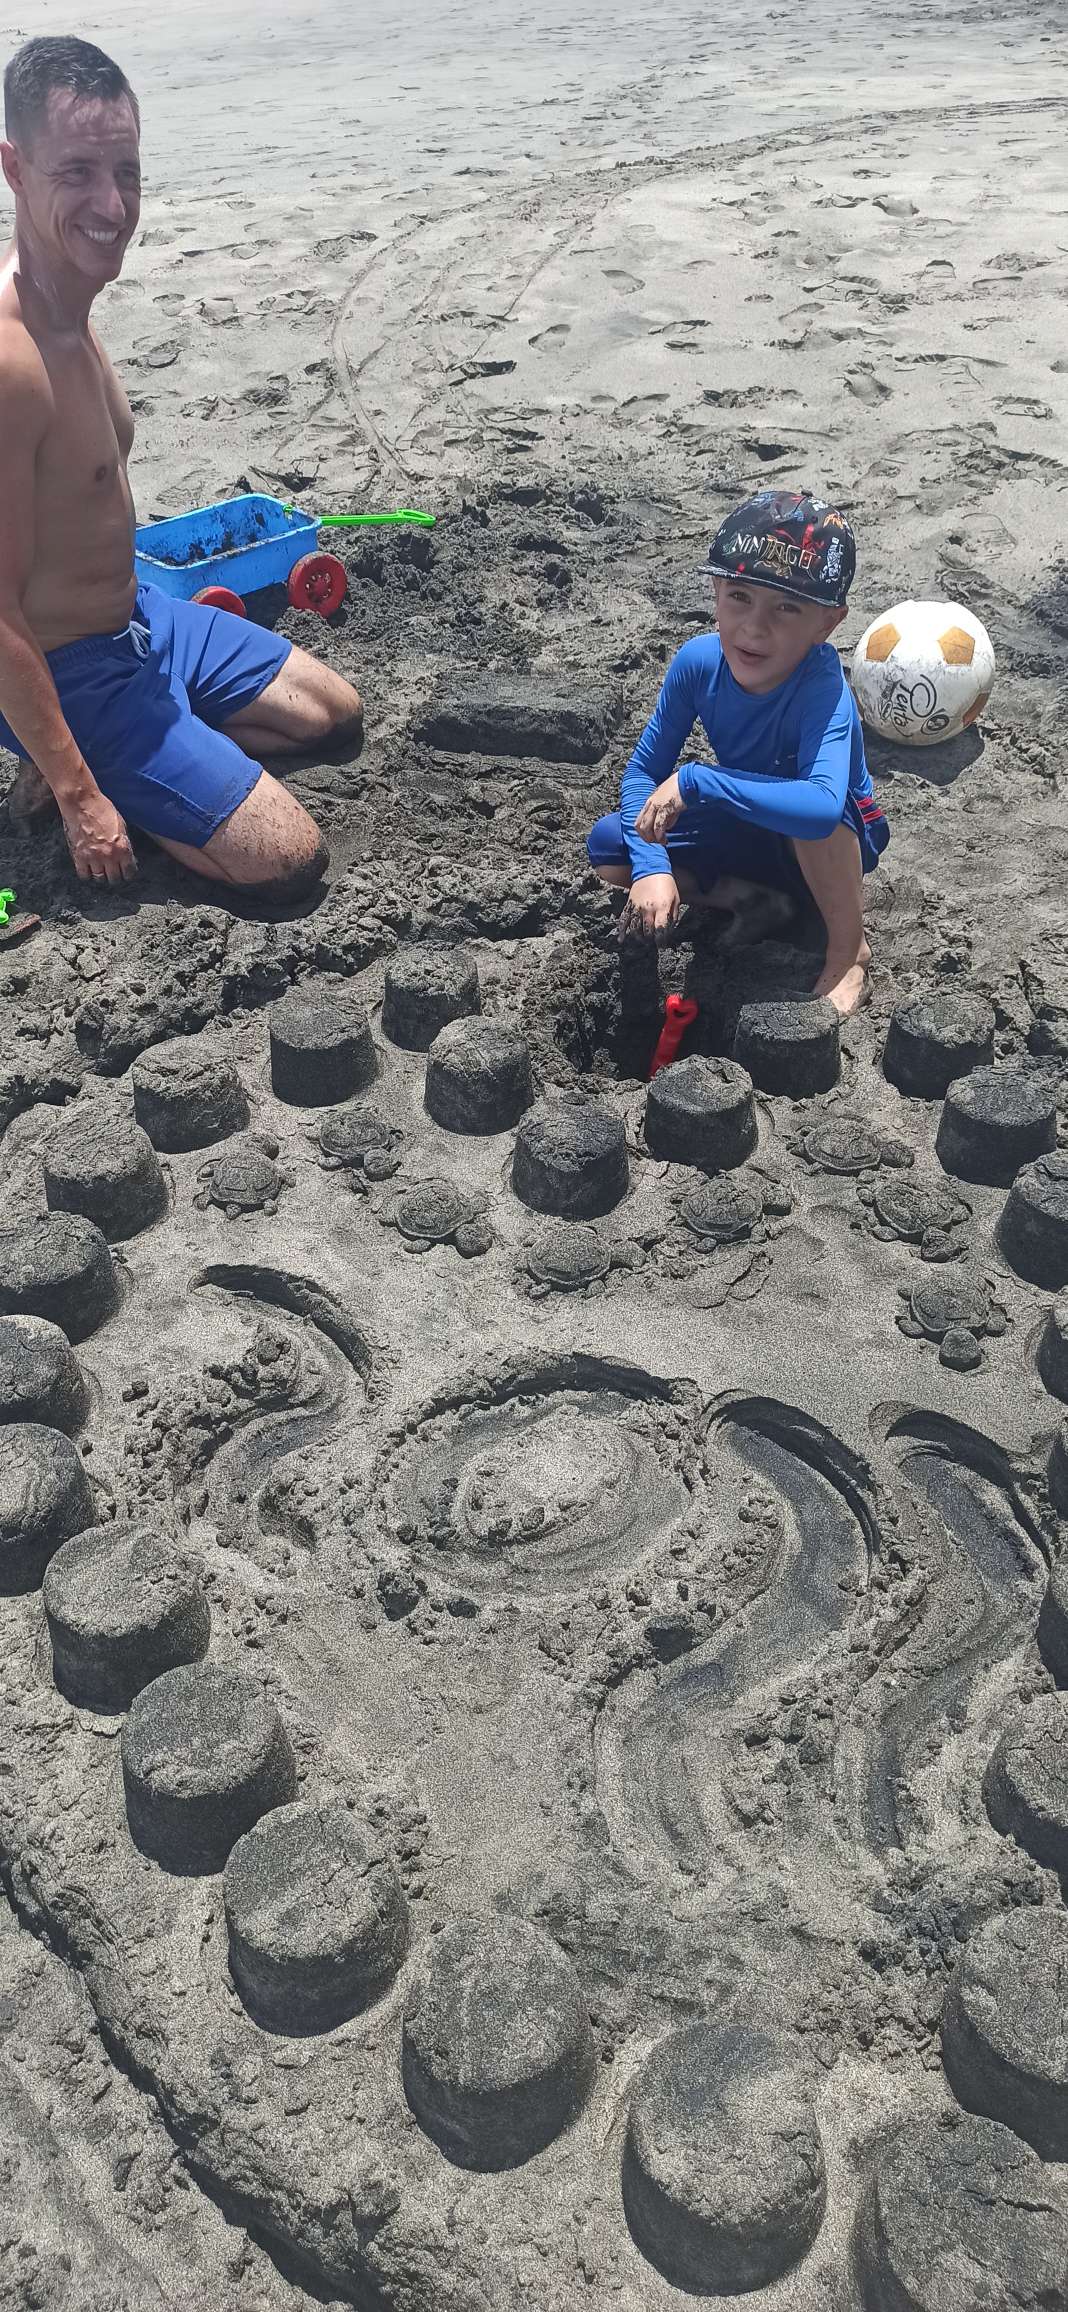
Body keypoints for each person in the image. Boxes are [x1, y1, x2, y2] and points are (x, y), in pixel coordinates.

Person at [0, 35, 363, 895]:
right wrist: (80, 796)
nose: (112, 203)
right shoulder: (10, 364)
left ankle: (142, 757)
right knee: (289, 859)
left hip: (143, 621)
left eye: (126, 172)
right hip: (70, 670)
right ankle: (70, 760)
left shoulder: (71, 302)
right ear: (13, 169)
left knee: (333, 715)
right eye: (78, 172)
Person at [587, 489, 889, 1016]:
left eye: (787, 607)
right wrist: (652, 866)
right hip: (749, 828)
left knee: (819, 811)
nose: (754, 627)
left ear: (827, 623)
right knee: (612, 848)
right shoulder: (697, 664)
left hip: (828, 847)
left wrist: (698, 781)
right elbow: (641, 772)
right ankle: (750, 899)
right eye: (739, 596)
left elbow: (821, 808)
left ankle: (848, 952)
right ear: (715, 591)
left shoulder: (823, 688)